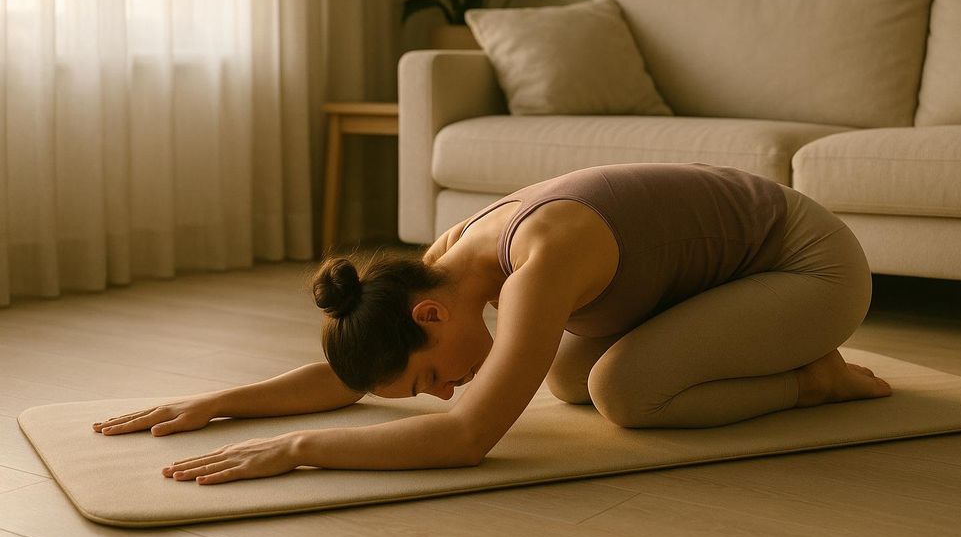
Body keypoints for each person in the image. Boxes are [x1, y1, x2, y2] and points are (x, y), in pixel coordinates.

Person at [92, 162, 892, 485]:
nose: (442, 393)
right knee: (568, 377)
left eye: (429, 375)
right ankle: (779, 354)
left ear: (429, 313)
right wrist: (218, 402)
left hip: (810, 267)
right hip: (714, 276)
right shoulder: (447, 263)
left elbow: (468, 438)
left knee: (623, 391)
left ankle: (811, 376)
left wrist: (298, 448)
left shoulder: (543, 256)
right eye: (430, 385)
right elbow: (356, 378)